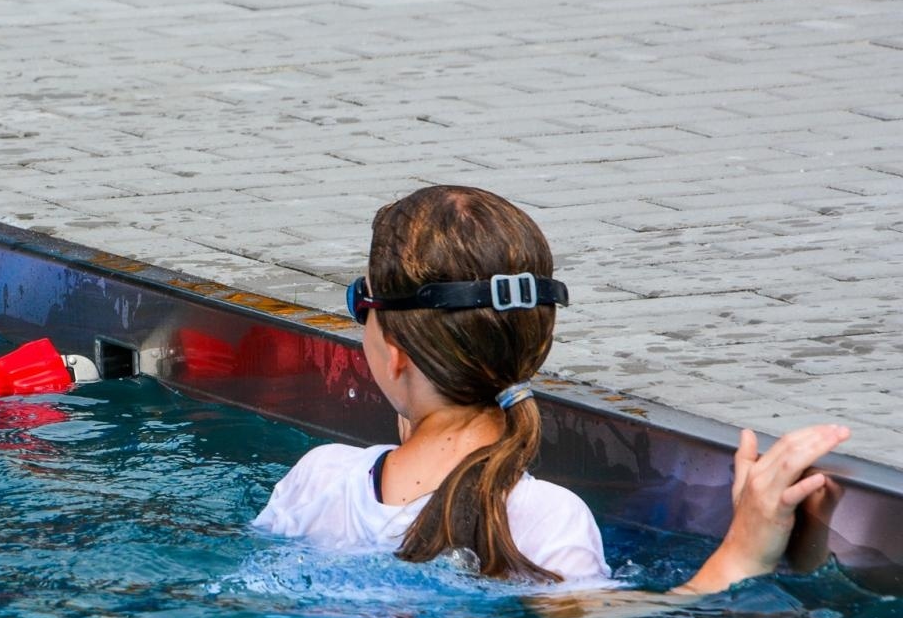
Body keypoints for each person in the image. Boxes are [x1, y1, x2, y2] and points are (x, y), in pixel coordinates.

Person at [254, 184, 848, 595]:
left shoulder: (319, 480)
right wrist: (745, 552)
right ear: (537, 342)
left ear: (395, 352)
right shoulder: (543, 520)